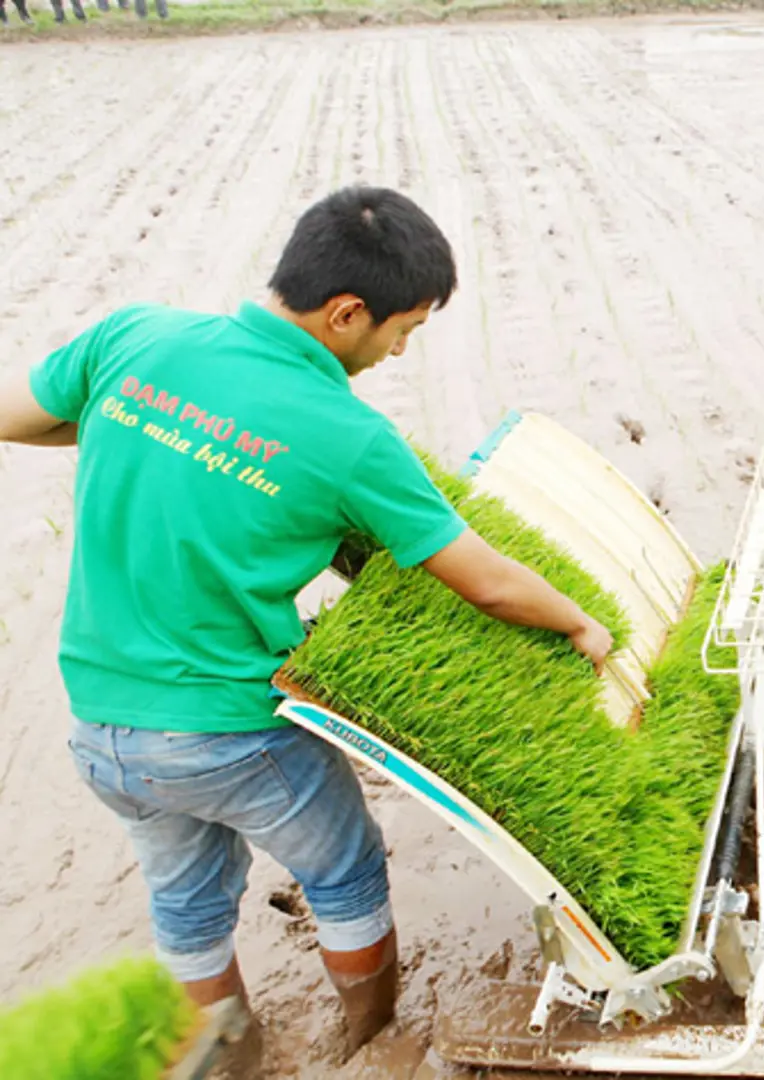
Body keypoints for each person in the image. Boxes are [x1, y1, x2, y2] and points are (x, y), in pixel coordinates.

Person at [0, 185, 616, 1068]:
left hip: (102, 729)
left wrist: (142, 425)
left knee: (187, 902)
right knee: (346, 874)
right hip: (231, 732)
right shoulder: (347, 435)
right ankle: (364, 1043)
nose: (400, 350)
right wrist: (583, 626)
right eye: (402, 328)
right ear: (345, 312)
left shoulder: (133, 337)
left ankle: (233, 1059)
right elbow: (483, 580)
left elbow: (14, 415)